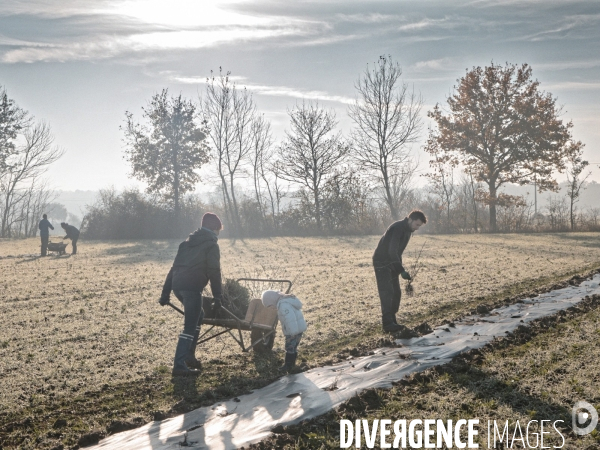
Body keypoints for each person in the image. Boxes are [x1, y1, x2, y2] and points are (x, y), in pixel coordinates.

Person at [159, 212, 224, 376]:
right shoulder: (211, 245)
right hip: (192, 288)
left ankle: (189, 356)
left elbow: (174, 268)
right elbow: (214, 272)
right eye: (218, 231)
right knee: (189, 326)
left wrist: (165, 293)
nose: (218, 234)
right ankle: (179, 365)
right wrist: (218, 297)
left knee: (198, 315)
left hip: (178, 286)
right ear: (215, 228)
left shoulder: (186, 243)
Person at [372, 210, 427, 333]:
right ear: (410, 219)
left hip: (392, 262)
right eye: (417, 225)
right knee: (387, 292)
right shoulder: (397, 228)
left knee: (396, 292)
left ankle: (392, 320)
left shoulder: (408, 230)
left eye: (419, 226)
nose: (417, 228)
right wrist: (401, 270)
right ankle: (387, 324)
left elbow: (397, 252)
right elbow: (392, 251)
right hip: (382, 262)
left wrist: (399, 267)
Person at [261, 290, 307, 373]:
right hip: (297, 329)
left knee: (289, 347)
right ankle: (292, 365)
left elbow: (290, 319)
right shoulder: (286, 302)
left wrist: (291, 332)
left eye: (270, 306)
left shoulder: (283, 305)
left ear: (272, 300)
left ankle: (288, 365)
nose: (272, 308)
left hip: (293, 331)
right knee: (293, 347)